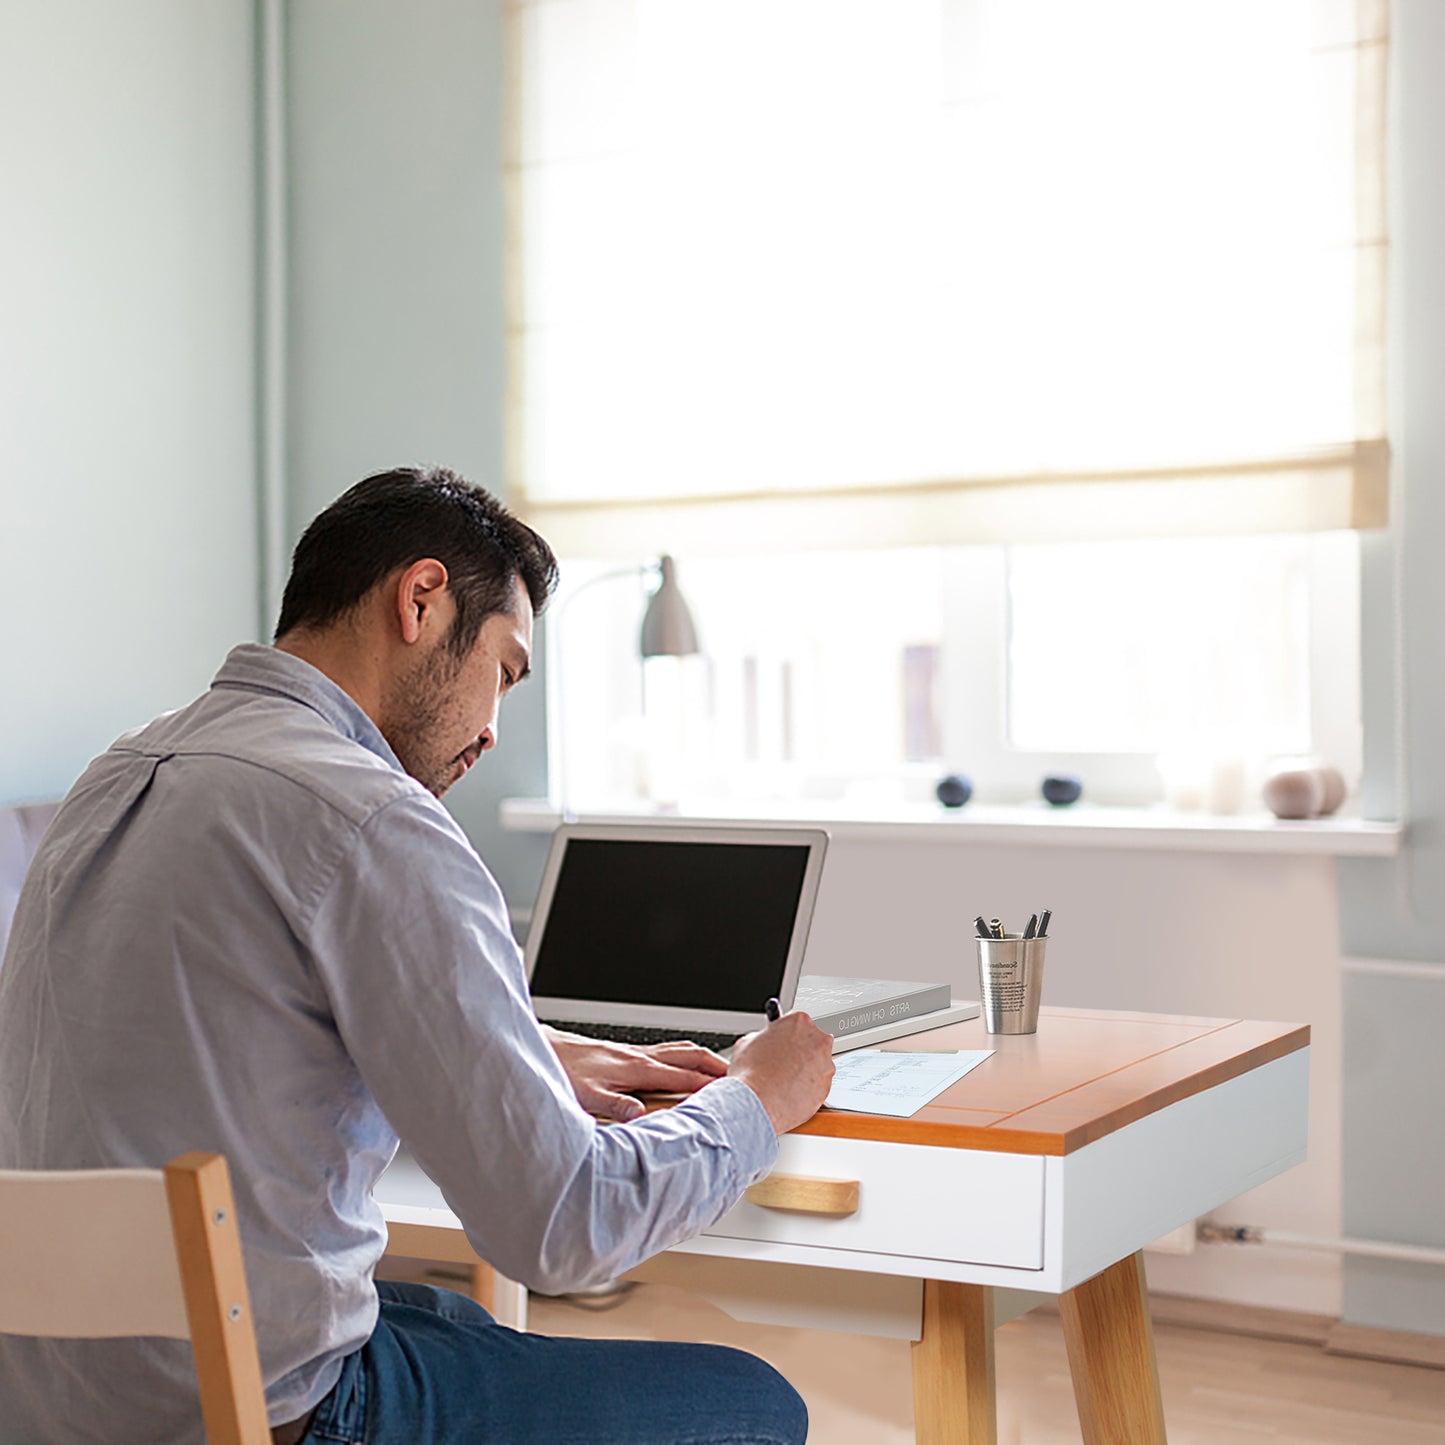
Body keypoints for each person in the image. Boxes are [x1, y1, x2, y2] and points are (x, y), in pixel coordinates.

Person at [0, 467, 835, 1445]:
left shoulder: (118, 773)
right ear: (422, 597)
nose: (489, 727)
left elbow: (212, 1034)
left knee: (456, 1323)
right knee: (753, 1399)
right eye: (504, 668)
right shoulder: (373, 816)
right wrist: (758, 1094)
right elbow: (565, 1224)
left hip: (55, 1397)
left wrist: (509, 1043)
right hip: (266, 1414)